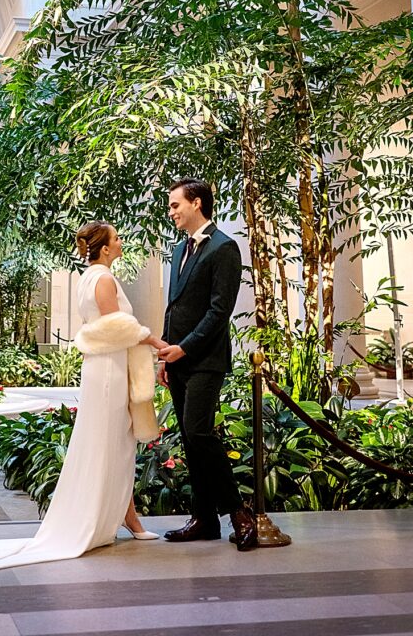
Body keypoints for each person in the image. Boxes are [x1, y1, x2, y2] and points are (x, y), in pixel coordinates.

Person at [0, 220, 165, 571]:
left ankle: (127, 516)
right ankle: (121, 518)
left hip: (106, 366)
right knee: (110, 443)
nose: (121, 243)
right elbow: (115, 327)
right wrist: (155, 341)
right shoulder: (103, 278)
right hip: (109, 370)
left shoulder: (88, 276)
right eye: (117, 239)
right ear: (105, 248)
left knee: (114, 444)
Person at [158, 178, 258, 551]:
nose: (171, 212)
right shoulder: (178, 248)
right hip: (178, 359)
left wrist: (184, 348)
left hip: (205, 359)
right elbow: (175, 307)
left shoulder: (224, 247)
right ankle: (204, 519)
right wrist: (167, 355)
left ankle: (238, 512)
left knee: (199, 431)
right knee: (188, 437)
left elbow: (219, 311)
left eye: (174, 205)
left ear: (196, 203)